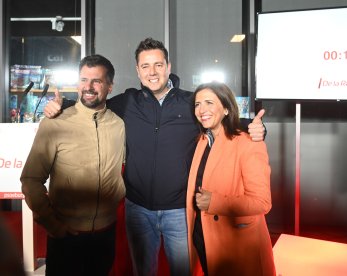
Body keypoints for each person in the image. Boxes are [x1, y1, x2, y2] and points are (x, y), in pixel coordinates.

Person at [44, 38, 266, 276]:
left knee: (184, 271)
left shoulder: (190, 102)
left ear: (168, 67)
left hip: (180, 210)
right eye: (145, 66)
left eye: (158, 65)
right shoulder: (128, 102)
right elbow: (93, 104)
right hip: (138, 209)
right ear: (138, 71)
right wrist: (61, 105)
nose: (152, 72)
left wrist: (257, 128)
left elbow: (222, 119)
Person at [20, 54, 125, 276]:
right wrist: (53, 225)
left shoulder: (119, 125)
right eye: (83, 79)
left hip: (106, 235)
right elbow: (31, 180)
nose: (88, 87)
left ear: (110, 86)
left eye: (96, 80)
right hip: (66, 237)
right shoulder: (55, 122)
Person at [187, 82, 276, 276]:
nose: (202, 110)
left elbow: (262, 202)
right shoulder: (203, 140)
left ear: (226, 108)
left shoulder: (248, 142)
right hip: (204, 236)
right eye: (197, 104)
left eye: (209, 102)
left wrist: (215, 202)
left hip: (236, 243)